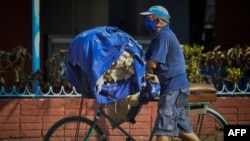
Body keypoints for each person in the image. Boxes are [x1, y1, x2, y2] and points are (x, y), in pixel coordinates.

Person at [140, 5, 200, 141]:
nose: (146, 22)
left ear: (159, 20)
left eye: (149, 19)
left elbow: (152, 63)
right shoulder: (157, 38)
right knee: (181, 129)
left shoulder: (164, 36)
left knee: (163, 128)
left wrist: (137, 69)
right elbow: (145, 59)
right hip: (175, 87)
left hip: (174, 88)